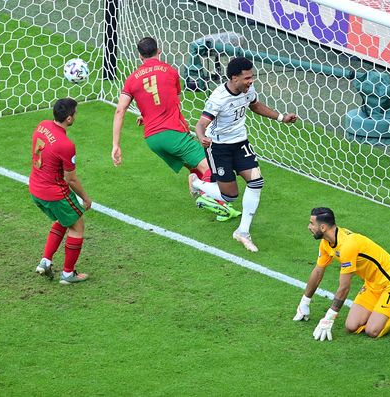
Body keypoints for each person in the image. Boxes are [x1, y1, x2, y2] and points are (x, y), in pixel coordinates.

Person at [111, 37, 239, 220]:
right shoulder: (171, 72)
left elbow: (120, 110)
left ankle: (223, 210)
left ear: (139, 56)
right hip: (173, 134)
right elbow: (172, 99)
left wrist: (116, 144)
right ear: (159, 51)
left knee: (196, 167)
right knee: (212, 165)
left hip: (153, 139)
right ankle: (203, 193)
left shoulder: (132, 79)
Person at [194, 56, 297, 252]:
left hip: (240, 142)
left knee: (257, 182)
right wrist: (201, 137)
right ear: (234, 78)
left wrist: (282, 117)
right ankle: (196, 183)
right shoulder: (218, 98)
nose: (251, 81)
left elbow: (255, 105)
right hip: (219, 147)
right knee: (230, 196)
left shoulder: (248, 90)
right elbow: (201, 124)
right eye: (247, 78)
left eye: (252, 77)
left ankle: (242, 232)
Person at [293, 207, 390, 341]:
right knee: (351, 326)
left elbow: (344, 287)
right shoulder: (326, 243)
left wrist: (329, 317)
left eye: (312, 223)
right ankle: (386, 310)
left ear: (323, 228)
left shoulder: (347, 246)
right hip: (372, 284)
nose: (309, 227)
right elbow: (317, 272)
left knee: (373, 330)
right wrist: (304, 302)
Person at [30, 98, 91, 285]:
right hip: (54, 192)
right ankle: (67, 274)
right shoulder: (66, 144)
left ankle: (45, 262)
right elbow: (70, 179)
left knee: (63, 219)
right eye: (75, 113)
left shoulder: (42, 125)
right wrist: (86, 199)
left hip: (35, 188)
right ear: (69, 119)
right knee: (77, 225)